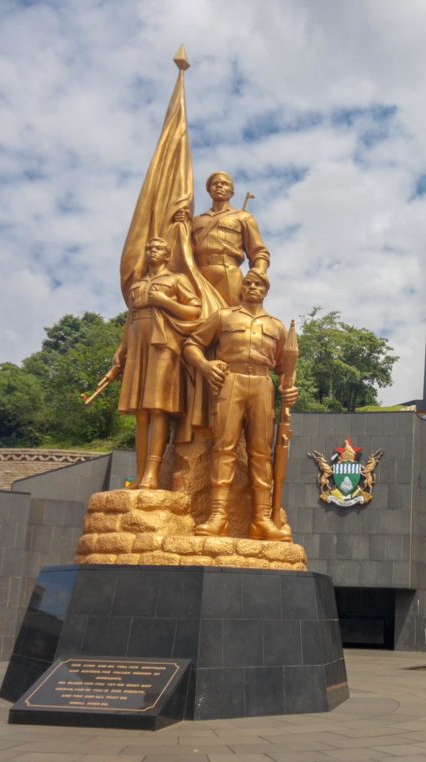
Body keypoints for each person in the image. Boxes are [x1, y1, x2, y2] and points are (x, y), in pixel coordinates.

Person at [183, 270, 297, 540]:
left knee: (260, 454)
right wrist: (205, 365)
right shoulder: (224, 316)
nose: (253, 286)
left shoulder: (276, 327)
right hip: (230, 381)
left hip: (262, 385)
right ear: (241, 288)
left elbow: (285, 370)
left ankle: (261, 520)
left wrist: (289, 389)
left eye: (259, 284)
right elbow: (191, 344)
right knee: (224, 448)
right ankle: (218, 517)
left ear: (266, 290)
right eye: (248, 283)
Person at [113, 236, 202, 489]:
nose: (153, 251)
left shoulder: (177, 280)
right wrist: (122, 348)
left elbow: (195, 310)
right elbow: (129, 319)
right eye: (149, 247)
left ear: (167, 254)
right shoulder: (137, 284)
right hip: (138, 343)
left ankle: (152, 472)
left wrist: (165, 302)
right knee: (140, 411)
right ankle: (140, 473)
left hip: (163, 344)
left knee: (157, 407)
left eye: (159, 248)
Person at [191, 171, 270, 305]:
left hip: (228, 272)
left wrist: (258, 273)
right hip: (199, 274)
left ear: (231, 192)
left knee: (232, 318)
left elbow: (259, 252)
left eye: (224, 184)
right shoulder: (196, 221)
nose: (219, 186)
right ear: (209, 190)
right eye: (215, 184)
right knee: (198, 316)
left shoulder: (243, 217)